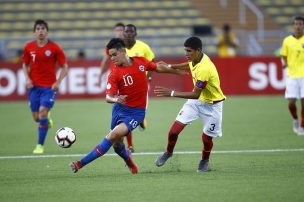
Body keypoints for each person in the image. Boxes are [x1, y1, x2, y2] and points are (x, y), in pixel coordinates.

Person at [69, 38, 183, 174]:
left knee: (113, 135)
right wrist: (117, 98)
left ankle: (79, 164)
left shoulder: (140, 61)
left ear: (123, 52)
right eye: (110, 55)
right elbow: (108, 97)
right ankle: (129, 162)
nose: (112, 58)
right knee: (117, 144)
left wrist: (176, 71)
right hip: (119, 110)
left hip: (136, 113)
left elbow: (158, 67)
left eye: (114, 54)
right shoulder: (115, 73)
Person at [154, 36, 226, 172]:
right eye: (185, 51)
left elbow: (195, 94)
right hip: (196, 103)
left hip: (212, 106)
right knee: (173, 131)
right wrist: (170, 66)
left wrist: (171, 93)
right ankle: (168, 152)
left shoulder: (205, 68)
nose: (186, 54)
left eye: (189, 51)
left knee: (206, 138)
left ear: (198, 50)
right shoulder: (196, 59)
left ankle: (205, 160)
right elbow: (190, 65)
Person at [22, 19, 68, 154]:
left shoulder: (55, 48)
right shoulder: (28, 47)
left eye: (43, 28)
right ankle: (46, 120)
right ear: (34, 32)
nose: (40, 31)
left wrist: (58, 82)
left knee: (42, 112)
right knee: (37, 117)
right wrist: (27, 79)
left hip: (49, 88)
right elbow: (24, 64)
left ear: (47, 31)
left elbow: (65, 67)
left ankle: (39, 146)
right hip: (34, 88)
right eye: (38, 29)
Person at [123, 24, 155, 152]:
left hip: (141, 84)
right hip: (125, 85)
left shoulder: (143, 47)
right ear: (123, 34)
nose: (129, 33)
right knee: (125, 115)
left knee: (138, 114)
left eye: (131, 31)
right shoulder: (120, 48)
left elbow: (152, 61)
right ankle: (130, 146)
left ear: (135, 33)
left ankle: (141, 119)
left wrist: (149, 77)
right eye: (127, 31)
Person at [280, 16, 304, 135]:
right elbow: (283, 55)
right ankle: (295, 119)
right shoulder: (287, 40)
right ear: (293, 26)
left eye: (300, 24)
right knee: (291, 102)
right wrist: (284, 63)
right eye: (296, 24)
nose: (298, 26)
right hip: (292, 75)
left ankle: (302, 126)